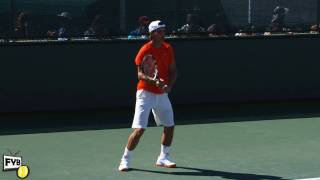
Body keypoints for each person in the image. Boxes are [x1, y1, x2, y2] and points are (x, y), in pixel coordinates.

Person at [118, 20, 178, 172]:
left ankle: (163, 157)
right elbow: (139, 74)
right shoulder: (145, 49)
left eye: (164, 31)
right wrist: (153, 80)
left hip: (162, 94)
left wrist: (169, 85)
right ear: (152, 34)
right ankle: (125, 160)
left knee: (169, 126)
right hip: (145, 93)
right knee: (140, 129)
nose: (163, 33)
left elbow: (173, 71)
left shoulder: (168, 48)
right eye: (159, 31)